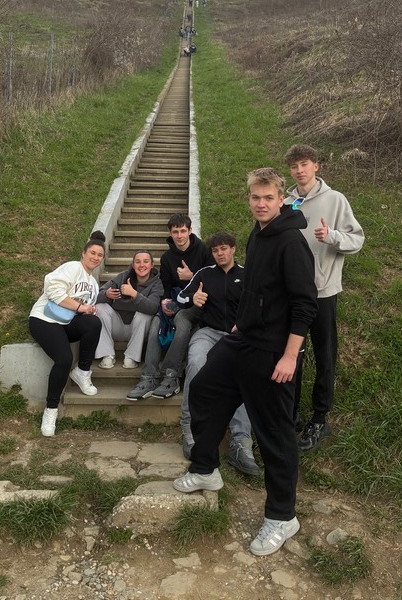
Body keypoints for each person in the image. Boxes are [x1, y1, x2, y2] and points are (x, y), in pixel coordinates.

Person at [173, 168, 318, 558]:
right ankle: (205, 468)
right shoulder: (258, 233)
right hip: (244, 339)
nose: (261, 204)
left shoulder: (291, 242)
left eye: (268, 198)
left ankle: (282, 517)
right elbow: (257, 288)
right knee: (204, 389)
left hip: (274, 352)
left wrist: (290, 355)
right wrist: (243, 321)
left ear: (282, 199)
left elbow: (305, 304)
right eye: (255, 197)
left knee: (274, 434)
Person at [284, 144, 365, 451]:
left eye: (304, 164)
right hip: (292, 294)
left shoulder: (335, 200)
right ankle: (290, 413)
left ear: (316, 166)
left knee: (324, 355)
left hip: (322, 293)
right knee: (292, 354)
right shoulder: (287, 203)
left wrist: (331, 236)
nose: (299, 170)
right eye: (294, 166)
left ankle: (320, 418)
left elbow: (357, 239)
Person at [177, 231, 260, 476]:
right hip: (208, 332)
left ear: (233, 249)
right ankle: (189, 428)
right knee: (195, 363)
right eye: (215, 250)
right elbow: (180, 298)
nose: (220, 253)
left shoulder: (247, 274)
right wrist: (194, 298)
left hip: (237, 336)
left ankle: (241, 441)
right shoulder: (205, 274)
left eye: (224, 248)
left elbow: (260, 304)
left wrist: (244, 325)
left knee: (242, 374)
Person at [126, 213, 212, 401]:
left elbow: (215, 280)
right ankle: (149, 376)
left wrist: (191, 277)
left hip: (198, 303)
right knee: (156, 322)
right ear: (170, 233)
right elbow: (165, 285)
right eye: (175, 232)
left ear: (190, 231)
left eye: (183, 231)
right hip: (175, 300)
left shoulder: (204, 251)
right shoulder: (167, 258)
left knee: (181, 320)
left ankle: (171, 375)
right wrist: (165, 302)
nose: (179, 236)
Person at [29, 231, 106, 437]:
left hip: (66, 323)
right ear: (83, 253)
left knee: (93, 323)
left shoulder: (94, 284)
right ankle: (50, 410)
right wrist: (80, 307)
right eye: (92, 253)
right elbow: (52, 288)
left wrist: (87, 310)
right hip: (44, 319)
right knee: (64, 359)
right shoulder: (73, 267)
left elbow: (82, 311)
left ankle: (82, 372)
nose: (95, 257)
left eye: (100, 255)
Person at [94, 250, 163, 369]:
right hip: (118, 326)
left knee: (145, 314)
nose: (141, 265)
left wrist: (134, 294)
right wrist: (106, 294)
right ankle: (107, 354)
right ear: (133, 265)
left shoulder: (157, 283)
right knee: (100, 307)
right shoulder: (123, 277)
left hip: (140, 331)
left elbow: (153, 307)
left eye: (146, 261)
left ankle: (131, 357)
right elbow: (96, 296)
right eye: (138, 262)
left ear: (152, 265)